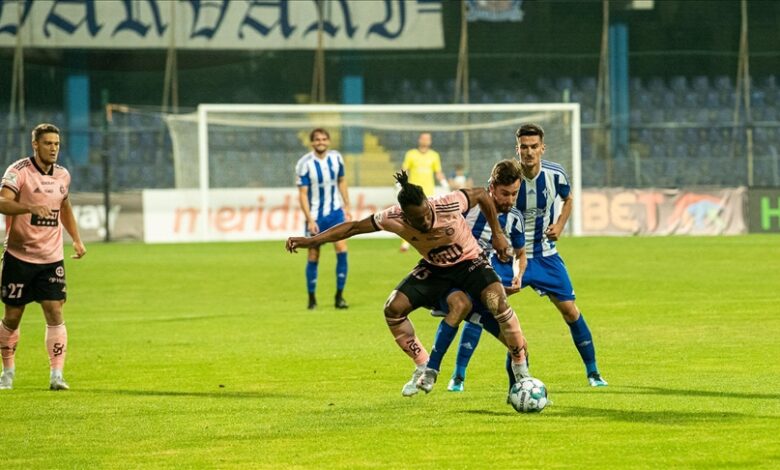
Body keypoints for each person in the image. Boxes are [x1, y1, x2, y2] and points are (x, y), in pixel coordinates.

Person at [286, 170, 534, 397]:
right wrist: (311, 240)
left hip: (470, 263)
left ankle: (521, 368)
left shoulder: (448, 203)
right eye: (417, 219)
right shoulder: (391, 217)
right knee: (393, 308)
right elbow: (352, 227)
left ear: (428, 203)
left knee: (497, 303)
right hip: (435, 269)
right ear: (405, 215)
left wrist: (498, 234)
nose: (425, 222)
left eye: (426, 214)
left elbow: (480, 193)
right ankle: (423, 364)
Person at [443, 123, 608, 389]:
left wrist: (561, 225)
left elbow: (569, 199)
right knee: (483, 309)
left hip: (545, 256)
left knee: (570, 310)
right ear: (517, 149)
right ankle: (458, 376)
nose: (529, 152)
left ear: (542, 148)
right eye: (523, 147)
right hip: (508, 257)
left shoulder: (556, 175)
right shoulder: (508, 180)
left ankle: (593, 372)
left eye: (533, 147)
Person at [418, 160, 527, 395]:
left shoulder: (515, 217)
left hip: (480, 281)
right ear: (491, 187)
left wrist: (517, 274)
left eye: (514, 194)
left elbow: (520, 253)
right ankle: (433, 370)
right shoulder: (468, 206)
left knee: (519, 345)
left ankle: (518, 392)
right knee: (458, 307)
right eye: (504, 193)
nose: (509, 200)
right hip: (452, 278)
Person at [0, 123, 87, 391]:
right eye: (48, 143)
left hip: (51, 259)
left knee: (54, 310)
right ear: (35, 145)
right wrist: (28, 206)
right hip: (19, 257)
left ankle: (56, 375)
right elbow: (2, 202)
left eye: (57, 144)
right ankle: (8, 372)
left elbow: (65, 206)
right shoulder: (18, 172)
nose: (53, 148)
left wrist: (77, 239)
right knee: (13, 316)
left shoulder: (63, 176)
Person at [295, 128, 351, 310]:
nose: (321, 142)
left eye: (324, 139)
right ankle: (311, 298)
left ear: (329, 141)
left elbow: (342, 181)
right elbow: (302, 194)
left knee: (342, 250)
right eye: (317, 139)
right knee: (313, 254)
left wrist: (347, 206)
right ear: (312, 143)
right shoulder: (304, 163)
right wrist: (309, 219)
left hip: (336, 213)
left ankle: (339, 297)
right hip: (316, 216)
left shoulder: (336, 158)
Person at [399, 132, 449, 252]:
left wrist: (444, 183)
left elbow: (438, 172)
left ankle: (432, 241)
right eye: (423, 138)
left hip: (428, 192)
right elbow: (405, 169)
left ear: (430, 141)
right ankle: (405, 243)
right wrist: (399, 183)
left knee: (430, 217)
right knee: (409, 217)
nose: (425, 141)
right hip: (413, 192)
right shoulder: (411, 154)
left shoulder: (434, 155)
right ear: (419, 140)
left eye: (428, 139)